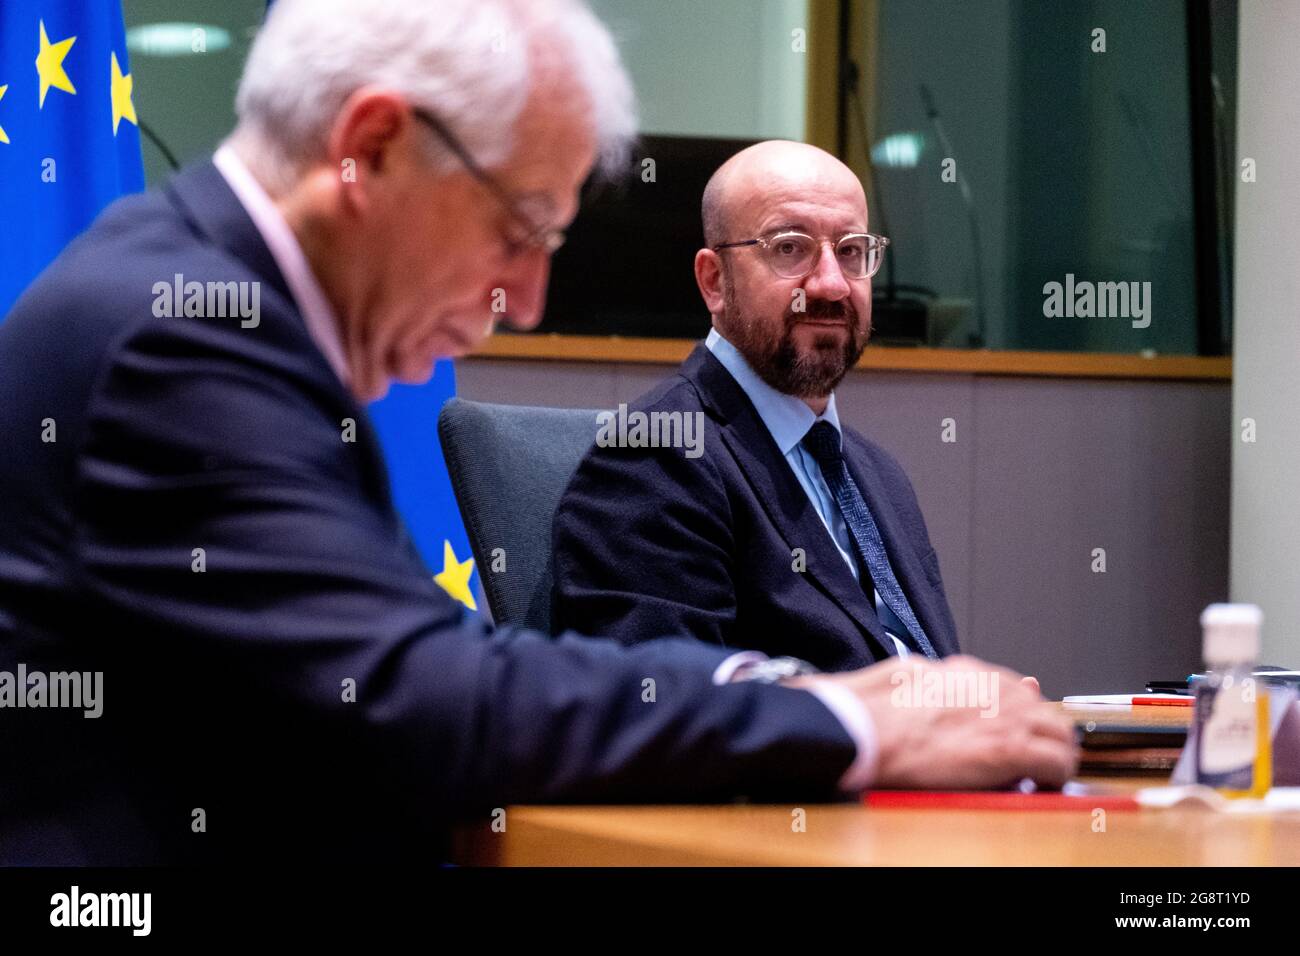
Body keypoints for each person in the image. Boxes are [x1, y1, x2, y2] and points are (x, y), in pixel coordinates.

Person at [0, 0, 1076, 865]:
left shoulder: (205, 303)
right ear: (371, 147)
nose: (525, 288)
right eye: (521, 229)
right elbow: (420, 697)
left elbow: (424, 664)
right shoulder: (181, 336)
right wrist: (844, 719)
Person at [554, 140, 958, 672]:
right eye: (790, 248)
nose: (832, 284)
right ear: (714, 281)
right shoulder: (654, 459)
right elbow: (672, 713)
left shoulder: (877, 474)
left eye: (852, 250)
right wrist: (882, 724)